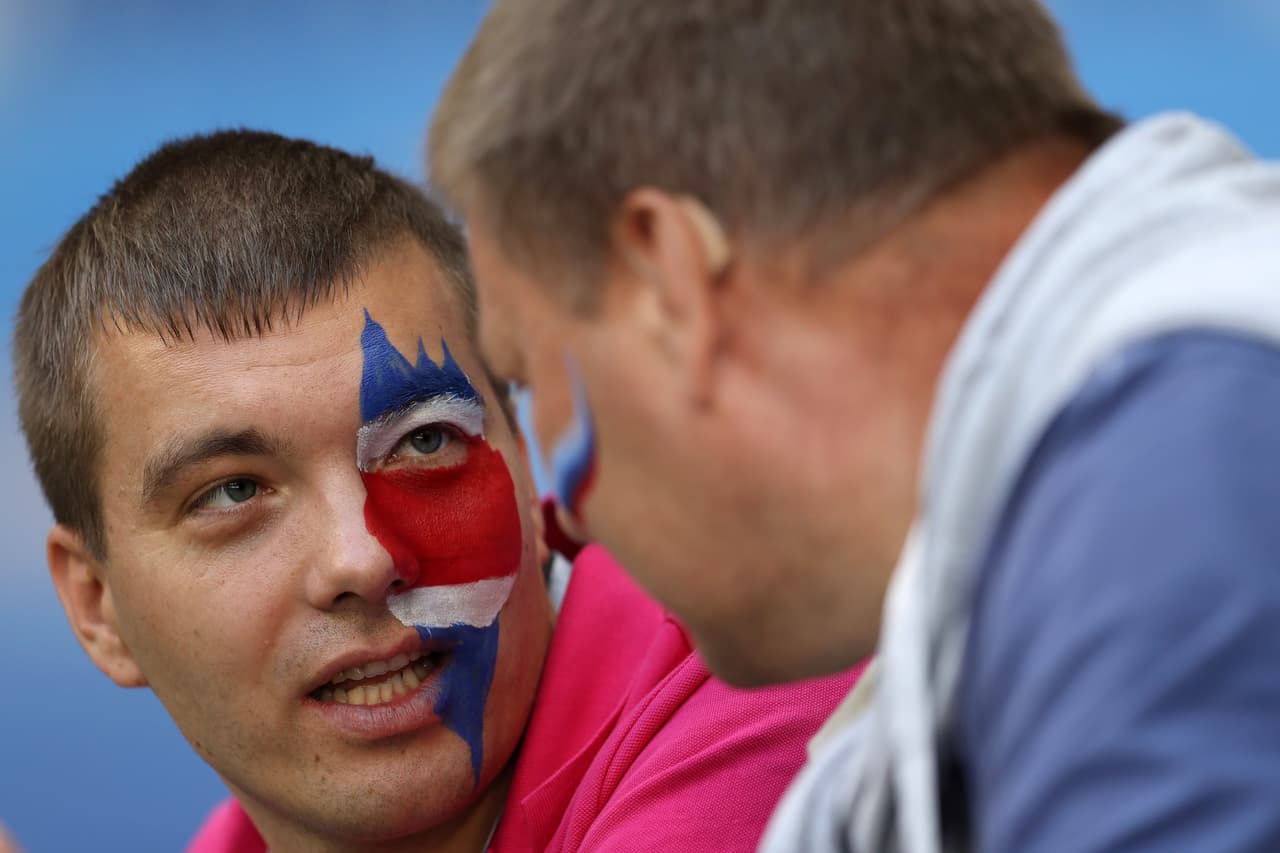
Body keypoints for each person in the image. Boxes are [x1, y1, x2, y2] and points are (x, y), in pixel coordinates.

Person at [428, 1, 1280, 850]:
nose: (569, 514)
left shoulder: (1168, 485)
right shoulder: (1061, 513)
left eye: (530, 379)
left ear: (667, 281)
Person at [12, 130, 857, 852]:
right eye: (234, 492)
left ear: (525, 470)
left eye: (425, 443)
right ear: (97, 606)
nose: (365, 555)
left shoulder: (757, 683)